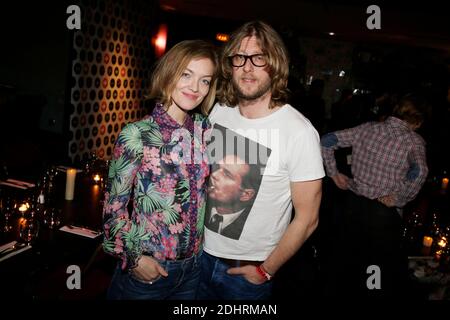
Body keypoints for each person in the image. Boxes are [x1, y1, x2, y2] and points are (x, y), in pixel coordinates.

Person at [198, 21, 324, 300]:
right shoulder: (219, 111)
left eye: (259, 58)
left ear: (275, 64)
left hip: (246, 275)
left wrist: (266, 270)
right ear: (230, 65)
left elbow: (308, 218)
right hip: (198, 259)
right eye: (240, 58)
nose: (247, 67)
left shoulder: (299, 132)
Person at [102, 39, 218, 300]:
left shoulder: (204, 129)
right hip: (149, 271)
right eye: (186, 75)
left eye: (205, 80)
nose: (195, 87)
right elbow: (113, 211)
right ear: (169, 72)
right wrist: (134, 259)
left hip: (193, 269)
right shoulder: (137, 134)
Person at [321, 93, 429, 298]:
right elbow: (420, 172)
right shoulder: (413, 141)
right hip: (382, 215)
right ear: (416, 120)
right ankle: (371, 295)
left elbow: (327, 140)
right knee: (375, 265)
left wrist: (334, 174)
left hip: (352, 206)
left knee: (346, 257)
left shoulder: (367, 129)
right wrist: (400, 198)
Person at [204, 154, 260, 240]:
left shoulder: (251, 231)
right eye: (217, 167)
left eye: (226, 174)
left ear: (246, 195)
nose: (214, 175)